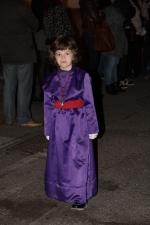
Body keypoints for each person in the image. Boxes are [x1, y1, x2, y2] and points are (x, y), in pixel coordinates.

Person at [43, 35, 99, 210]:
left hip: (78, 121)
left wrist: (92, 127)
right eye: (59, 54)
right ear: (54, 56)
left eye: (67, 53)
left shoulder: (83, 76)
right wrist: (48, 128)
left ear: (74, 55)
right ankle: (61, 190)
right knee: (60, 158)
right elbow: (47, 105)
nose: (63, 58)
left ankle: (79, 195)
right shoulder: (51, 78)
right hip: (58, 122)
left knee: (78, 158)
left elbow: (89, 102)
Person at [0, 0, 42, 127]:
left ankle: (9, 118)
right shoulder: (21, 7)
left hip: (6, 51)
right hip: (23, 52)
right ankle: (24, 119)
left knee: (9, 86)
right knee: (24, 86)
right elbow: (35, 26)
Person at [32, 0, 74, 100]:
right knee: (55, 66)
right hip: (55, 39)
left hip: (46, 37)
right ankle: (56, 92)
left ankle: (45, 91)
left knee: (45, 64)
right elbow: (64, 26)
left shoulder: (47, 8)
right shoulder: (57, 8)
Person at [99, 0, 128, 95]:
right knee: (110, 64)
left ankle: (114, 84)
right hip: (111, 39)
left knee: (115, 63)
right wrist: (123, 17)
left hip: (116, 39)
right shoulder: (109, 9)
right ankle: (109, 85)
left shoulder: (113, 8)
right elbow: (120, 21)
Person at [79, 0, 101, 77]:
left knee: (93, 59)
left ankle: (90, 81)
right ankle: (89, 82)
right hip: (90, 32)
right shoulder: (88, 2)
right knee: (93, 60)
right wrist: (100, 15)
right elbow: (97, 18)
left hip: (90, 32)